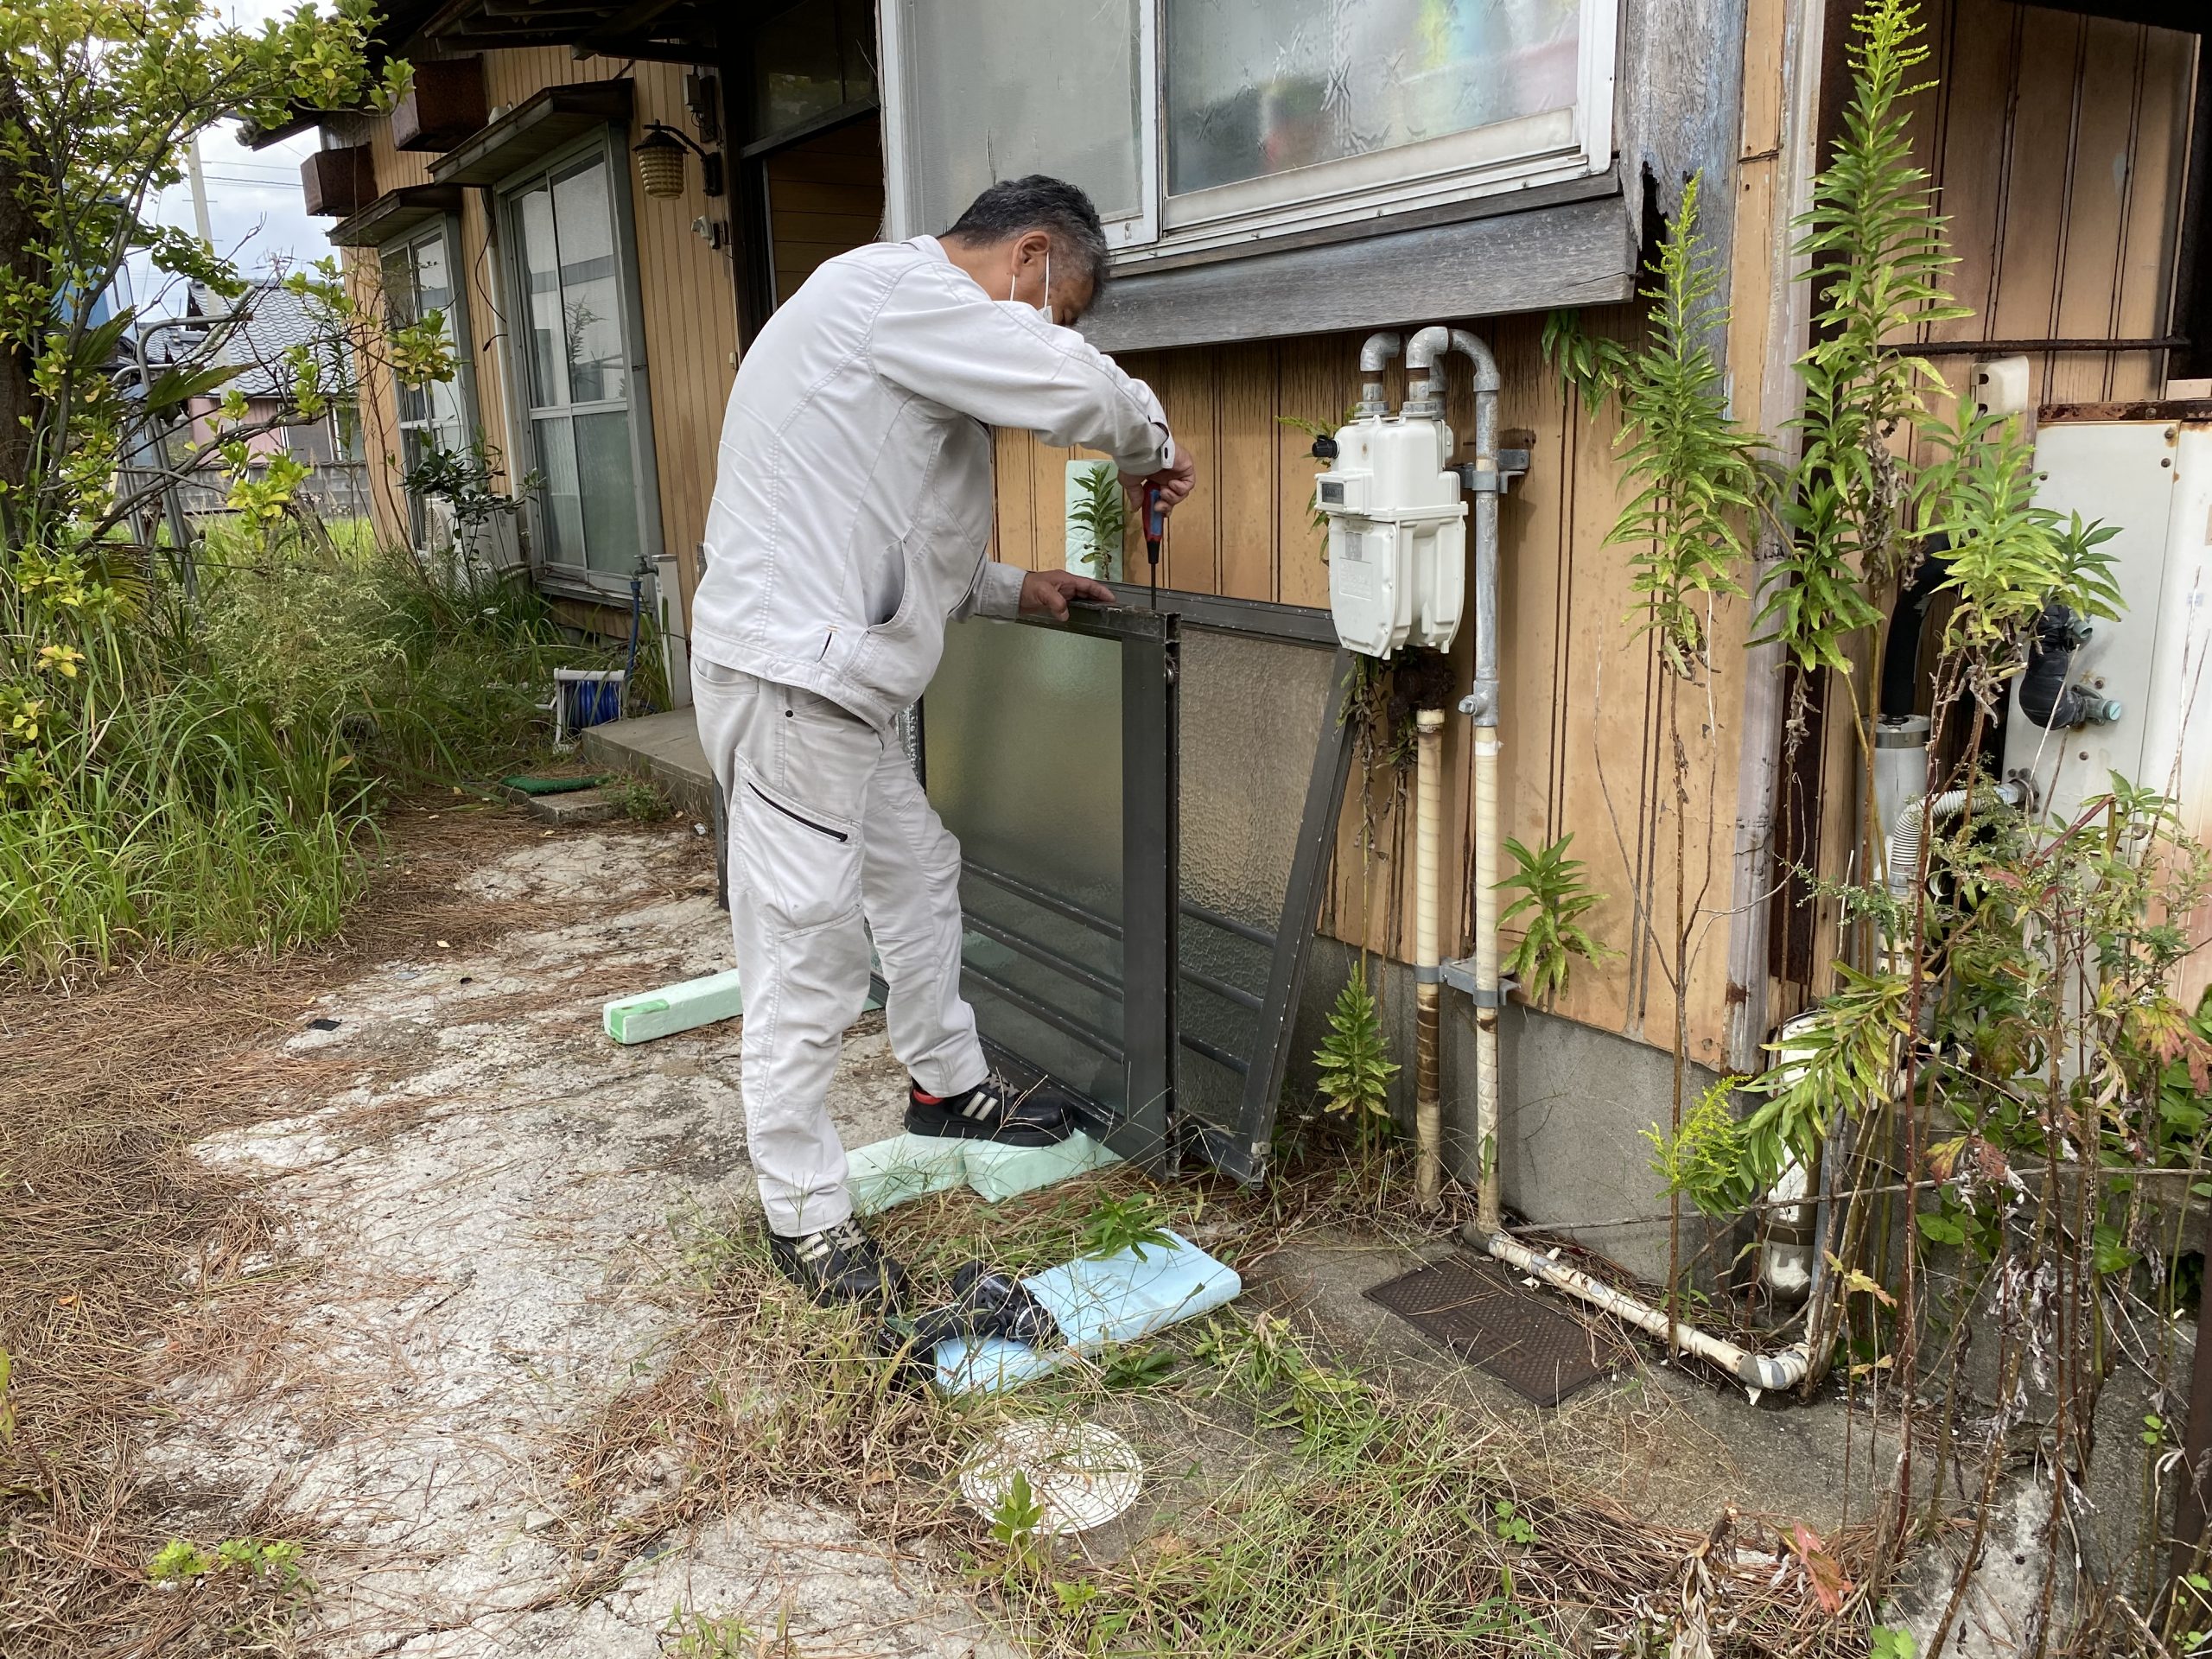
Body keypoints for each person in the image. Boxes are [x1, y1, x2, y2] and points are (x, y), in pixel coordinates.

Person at [687, 175, 1196, 1307]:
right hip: (791, 687)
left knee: (917, 873)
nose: (1051, 333)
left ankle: (946, 1085)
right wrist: (1150, 438)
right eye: (1058, 307)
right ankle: (807, 1220)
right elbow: (1070, 392)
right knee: (808, 954)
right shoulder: (896, 295)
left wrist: (1023, 588)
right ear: (1029, 260)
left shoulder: (893, 330)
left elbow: (904, 535)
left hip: (824, 686)